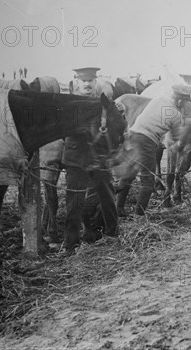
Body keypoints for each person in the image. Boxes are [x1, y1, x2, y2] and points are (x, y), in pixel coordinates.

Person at [62, 67, 120, 250]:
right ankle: (71, 243)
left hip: (99, 157)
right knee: (74, 201)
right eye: (83, 81)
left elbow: (115, 127)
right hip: (76, 157)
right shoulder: (69, 103)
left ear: (96, 82)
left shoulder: (103, 102)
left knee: (108, 195)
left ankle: (112, 233)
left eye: (90, 81)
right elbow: (64, 131)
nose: (87, 84)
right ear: (77, 82)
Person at [115, 84, 191, 217]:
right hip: (146, 141)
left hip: (132, 134)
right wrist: (187, 129)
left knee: (128, 174)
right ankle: (139, 215)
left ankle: (119, 208)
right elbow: (176, 143)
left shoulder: (159, 99)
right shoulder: (176, 115)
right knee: (148, 181)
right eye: (185, 102)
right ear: (180, 101)